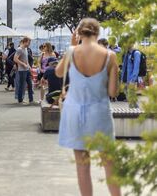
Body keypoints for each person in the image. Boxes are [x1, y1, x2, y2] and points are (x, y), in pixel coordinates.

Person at [56, 18, 120, 196]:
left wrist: (71, 47)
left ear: (78, 33)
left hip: (75, 113)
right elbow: (113, 91)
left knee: (82, 166)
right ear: (98, 33)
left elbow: (59, 72)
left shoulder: (71, 52)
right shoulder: (109, 55)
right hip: (99, 113)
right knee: (109, 163)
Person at [14, 37, 34, 104]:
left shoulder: (25, 49)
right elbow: (15, 59)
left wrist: (29, 66)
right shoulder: (19, 49)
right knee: (22, 85)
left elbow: (26, 60)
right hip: (22, 70)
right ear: (25, 42)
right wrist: (23, 64)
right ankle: (20, 100)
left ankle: (31, 100)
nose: (29, 44)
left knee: (30, 84)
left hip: (27, 69)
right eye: (29, 42)